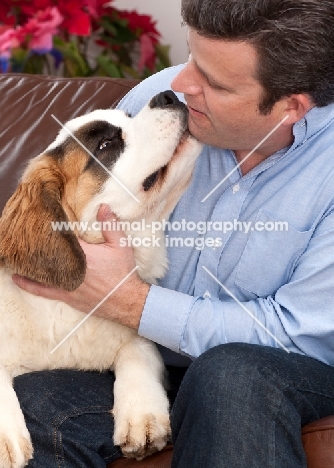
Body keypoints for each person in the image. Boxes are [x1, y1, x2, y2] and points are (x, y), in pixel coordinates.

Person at [13, 0, 334, 466]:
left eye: (214, 82)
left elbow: (297, 335)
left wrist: (132, 302)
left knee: (230, 375)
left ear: (291, 107)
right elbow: (81, 217)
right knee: (34, 406)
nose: (180, 85)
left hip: (280, 369)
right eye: (191, 58)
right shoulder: (162, 97)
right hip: (143, 355)